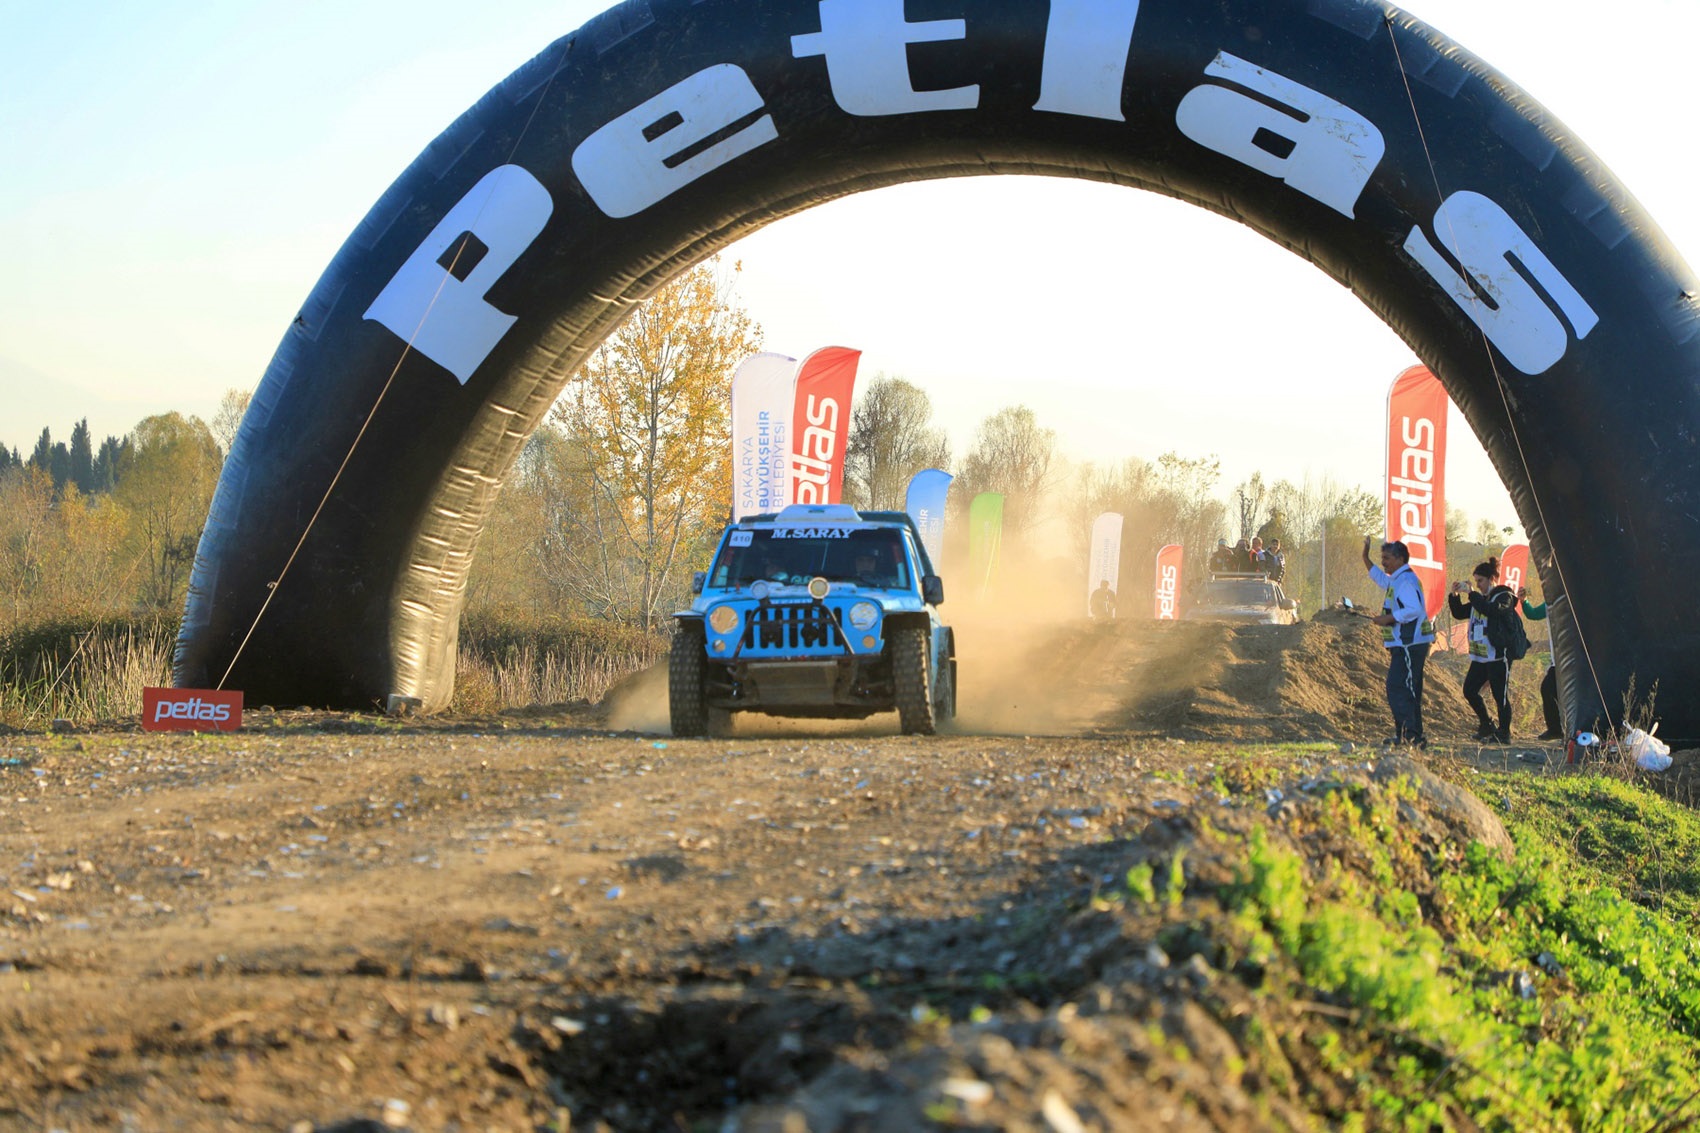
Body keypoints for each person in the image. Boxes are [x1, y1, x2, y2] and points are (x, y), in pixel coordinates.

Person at [1361, 535, 1435, 748]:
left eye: (1387, 558)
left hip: (1410, 644)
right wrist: (1365, 557)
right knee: (1404, 688)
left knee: (1400, 688)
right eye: (1382, 558)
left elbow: (1414, 609)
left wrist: (1389, 618)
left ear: (1400, 559)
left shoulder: (1406, 581)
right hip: (1404, 644)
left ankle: (1410, 737)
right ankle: (1408, 735)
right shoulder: (1397, 578)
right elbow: (1380, 578)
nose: (1384, 562)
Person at [1448, 557, 1518, 743]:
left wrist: (1472, 594)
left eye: (1481, 581)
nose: (1478, 585)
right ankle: (1486, 724)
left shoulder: (1504, 597)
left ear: (1492, 579)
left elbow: (1491, 610)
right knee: (1469, 690)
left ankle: (1504, 734)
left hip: (1497, 656)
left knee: (1499, 695)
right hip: (1480, 656)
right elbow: (1459, 613)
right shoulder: (1480, 599)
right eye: (1476, 581)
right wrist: (1454, 596)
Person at [1519, 588, 1564, 740]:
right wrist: (1523, 601)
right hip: (1556, 661)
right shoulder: (1550, 604)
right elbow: (1533, 614)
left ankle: (1569, 729)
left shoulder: (1574, 603)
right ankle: (1555, 729)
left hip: (1575, 660)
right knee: (1547, 689)